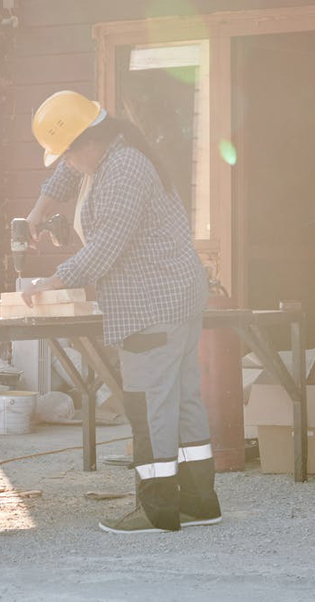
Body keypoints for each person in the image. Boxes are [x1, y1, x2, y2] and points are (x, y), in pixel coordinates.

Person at [20, 90, 217, 534]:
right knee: (182, 399)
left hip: (152, 304)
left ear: (87, 142)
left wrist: (52, 280)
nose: (66, 164)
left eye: (67, 154)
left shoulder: (123, 170)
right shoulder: (114, 153)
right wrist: (36, 214)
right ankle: (201, 502)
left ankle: (157, 510)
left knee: (150, 406)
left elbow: (107, 245)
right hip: (175, 300)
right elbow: (66, 180)